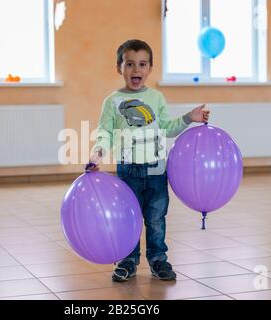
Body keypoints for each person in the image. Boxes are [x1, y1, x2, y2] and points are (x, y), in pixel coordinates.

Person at [87, 39, 209, 282]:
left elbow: (167, 128)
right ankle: (128, 260)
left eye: (142, 64)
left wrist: (188, 118)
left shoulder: (157, 97)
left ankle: (158, 260)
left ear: (150, 68)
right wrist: (97, 152)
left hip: (156, 170)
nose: (136, 70)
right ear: (119, 68)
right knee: (128, 218)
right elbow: (105, 132)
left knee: (155, 218)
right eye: (129, 64)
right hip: (127, 171)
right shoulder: (112, 101)